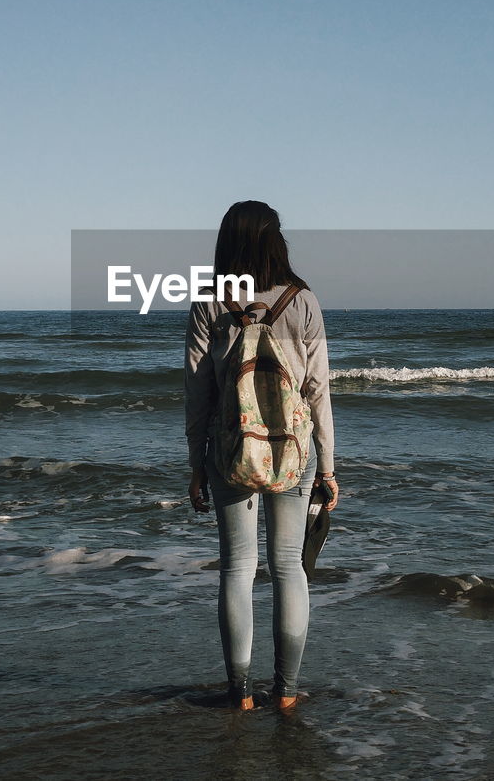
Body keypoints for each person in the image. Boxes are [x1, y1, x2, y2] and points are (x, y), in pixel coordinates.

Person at [184, 200, 338, 712]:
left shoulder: (210, 301)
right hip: (293, 452)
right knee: (288, 567)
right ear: (276, 240)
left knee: (237, 569)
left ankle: (240, 694)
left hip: (231, 450)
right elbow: (318, 391)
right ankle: (287, 692)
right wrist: (329, 465)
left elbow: (198, 392)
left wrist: (195, 462)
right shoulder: (303, 301)